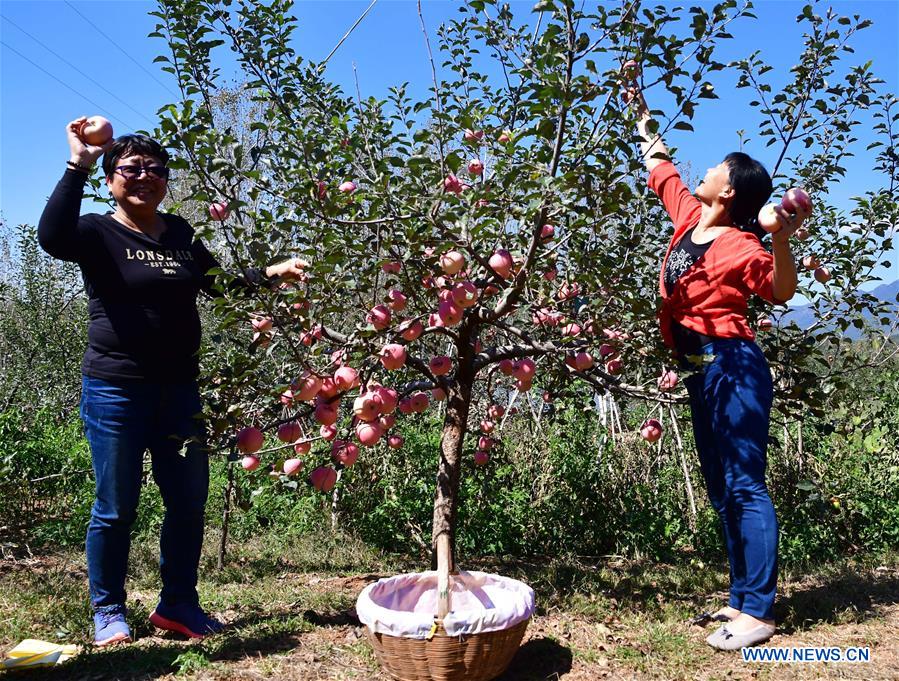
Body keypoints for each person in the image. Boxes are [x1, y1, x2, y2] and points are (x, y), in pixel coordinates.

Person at [38, 117, 306, 646]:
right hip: (116, 387)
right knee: (117, 504)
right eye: (132, 168)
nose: (145, 177)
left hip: (179, 390)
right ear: (111, 178)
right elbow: (51, 237)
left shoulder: (180, 233)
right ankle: (108, 610)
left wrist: (271, 274)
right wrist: (79, 160)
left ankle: (178, 605)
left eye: (155, 169)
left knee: (187, 500)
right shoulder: (96, 231)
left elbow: (220, 286)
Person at [623, 77, 811, 650]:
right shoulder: (688, 220)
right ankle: (740, 599)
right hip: (699, 368)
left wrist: (784, 237)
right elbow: (663, 170)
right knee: (721, 486)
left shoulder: (742, 245)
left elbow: (779, 291)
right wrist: (641, 114)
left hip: (733, 364)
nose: (704, 170)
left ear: (728, 191)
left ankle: (759, 611)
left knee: (743, 483)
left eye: (717, 168)